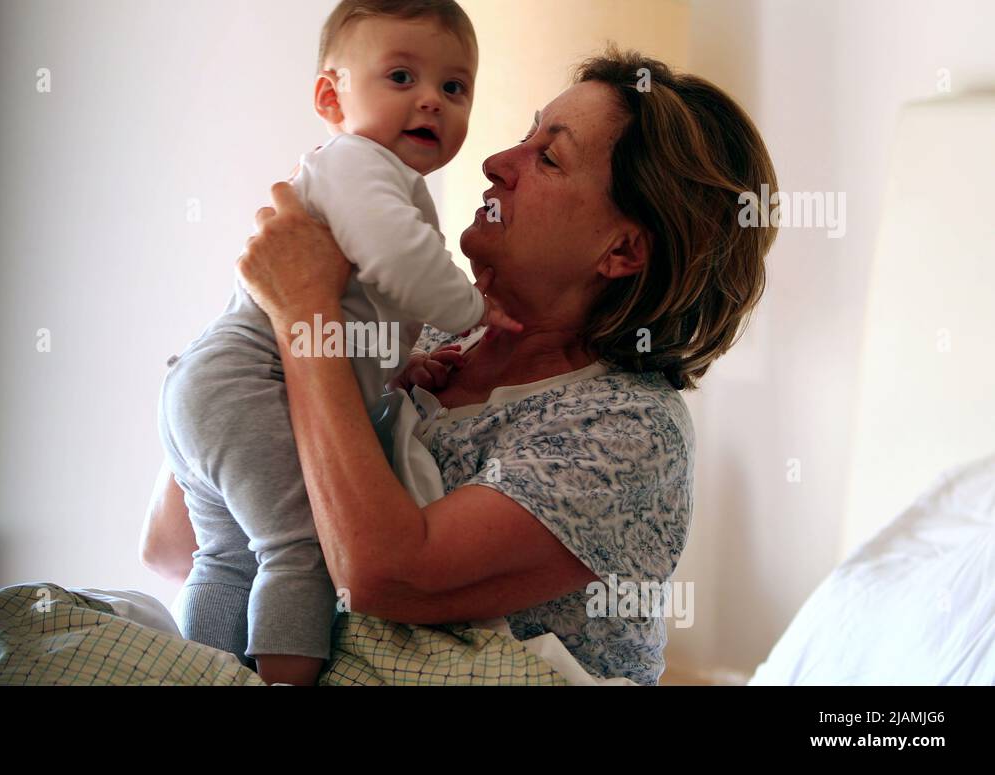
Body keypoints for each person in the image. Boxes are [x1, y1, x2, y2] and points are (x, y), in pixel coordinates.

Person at [146, 46, 778, 685]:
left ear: (622, 250)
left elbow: (385, 575)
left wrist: (305, 318)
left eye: (547, 157)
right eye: (522, 137)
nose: (496, 163)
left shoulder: (630, 430)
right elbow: (174, 544)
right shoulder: (427, 334)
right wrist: (259, 317)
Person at [156, 0, 517, 687]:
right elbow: (395, 258)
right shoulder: (359, 162)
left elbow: (355, 308)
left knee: (228, 556)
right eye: (401, 77)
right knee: (301, 549)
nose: (432, 104)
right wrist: (472, 308)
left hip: (207, 386)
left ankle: (190, 671)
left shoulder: (369, 175)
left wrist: (400, 363)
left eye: (454, 87)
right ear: (331, 96)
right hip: (248, 377)